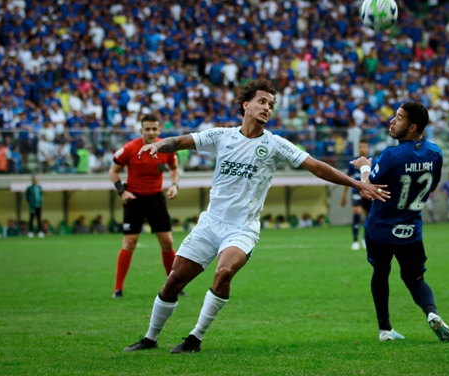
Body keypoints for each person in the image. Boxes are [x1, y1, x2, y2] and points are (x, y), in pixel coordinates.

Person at [122, 79, 389, 353]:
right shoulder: (221, 136)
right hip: (210, 223)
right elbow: (180, 141)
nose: (267, 108)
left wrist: (358, 184)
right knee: (174, 281)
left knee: (224, 271)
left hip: (242, 228)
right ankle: (150, 339)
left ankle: (194, 339)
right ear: (245, 104)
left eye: (271, 105)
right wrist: (159, 145)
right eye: (262, 102)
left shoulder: (275, 144)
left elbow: (316, 167)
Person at [350, 101, 449, 343]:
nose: (392, 121)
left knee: (381, 271)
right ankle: (432, 313)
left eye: (398, 118)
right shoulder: (435, 153)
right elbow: (432, 187)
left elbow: (368, 190)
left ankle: (385, 330)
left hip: (381, 228)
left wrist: (365, 167)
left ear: (412, 127)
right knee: (415, 279)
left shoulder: (390, 155)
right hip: (411, 230)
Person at [108, 113, 182, 299]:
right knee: (130, 242)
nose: (150, 132)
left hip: (156, 199)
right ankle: (118, 288)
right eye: (147, 129)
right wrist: (122, 191)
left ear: (159, 130)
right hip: (134, 199)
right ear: (141, 130)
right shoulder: (129, 149)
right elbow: (113, 171)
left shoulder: (166, 148)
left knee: (167, 243)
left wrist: (174, 185)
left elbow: (174, 168)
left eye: (154, 129)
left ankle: (174, 286)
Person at [341, 140, 373, 250]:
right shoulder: (353, 162)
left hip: (368, 192)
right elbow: (347, 178)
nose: (363, 149)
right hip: (356, 191)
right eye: (361, 147)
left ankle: (365, 239)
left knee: (368, 217)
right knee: (357, 213)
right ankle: (355, 240)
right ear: (358, 149)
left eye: (365, 147)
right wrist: (344, 195)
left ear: (368, 148)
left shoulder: (373, 161)